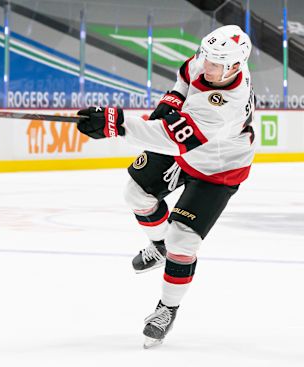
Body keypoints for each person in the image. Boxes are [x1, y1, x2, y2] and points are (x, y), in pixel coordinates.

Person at [76, 25, 254, 348]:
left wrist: (115, 125)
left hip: (218, 170)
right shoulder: (211, 63)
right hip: (190, 149)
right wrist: (169, 104)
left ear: (235, 67)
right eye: (207, 57)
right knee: (135, 192)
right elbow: (184, 78)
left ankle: (167, 308)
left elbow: (171, 139)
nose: (207, 65)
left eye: (216, 63)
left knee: (182, 239)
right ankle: (159, 247)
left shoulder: (225, 105)